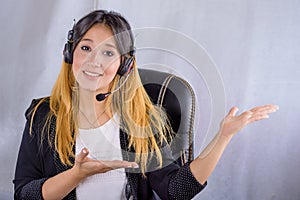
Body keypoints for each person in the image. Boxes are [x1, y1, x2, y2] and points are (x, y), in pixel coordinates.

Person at [13, 10, 278, 200]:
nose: (94, 61)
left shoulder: (142, 121)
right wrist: (75, 175)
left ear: (124, 65)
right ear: (70, 54)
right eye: (86, 48)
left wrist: (223, 136)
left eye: (108, 53)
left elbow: (177, 191)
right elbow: (23, 194)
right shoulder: (43, 115)